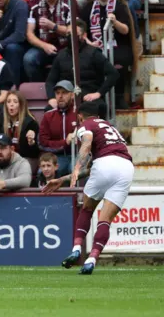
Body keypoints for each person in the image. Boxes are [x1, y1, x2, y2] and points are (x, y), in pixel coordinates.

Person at [43, 101, 133, 275]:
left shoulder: (86, 125)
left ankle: (77, 249)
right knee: (105, 220)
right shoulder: (110, 128)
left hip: (105, 163)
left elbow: (87, 143)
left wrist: (76, 167)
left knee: (87, 209)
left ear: (80, 116)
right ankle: (92, 258)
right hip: (127, 167)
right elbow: (97, 167)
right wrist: (62, 179)